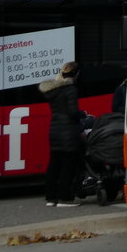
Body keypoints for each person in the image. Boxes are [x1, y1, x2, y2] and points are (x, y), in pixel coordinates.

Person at [39, 61, 84, 207]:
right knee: (67, 165)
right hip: (68, 132)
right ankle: (65, 198)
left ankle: (50, 198)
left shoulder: (53, 90)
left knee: (54, 164)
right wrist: (82, 114)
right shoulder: (70, 89)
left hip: (55, 131)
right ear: (76, 74)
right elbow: (72, 111)